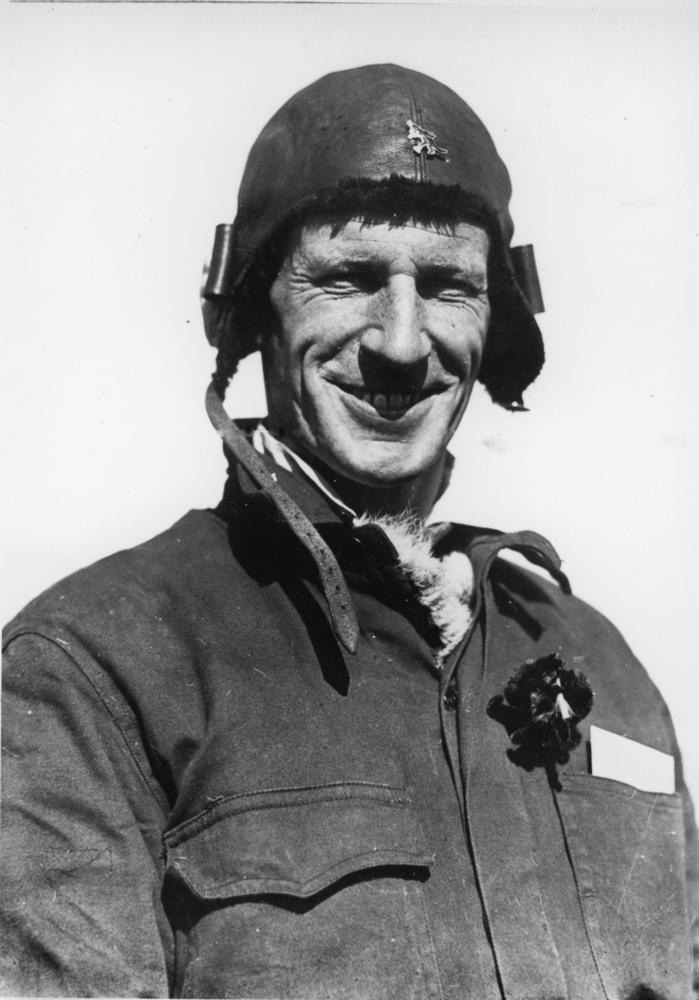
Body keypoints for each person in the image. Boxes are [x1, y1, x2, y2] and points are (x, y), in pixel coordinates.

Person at [2, 63, 697, 1000]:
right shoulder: (95, 665)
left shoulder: (598, 664)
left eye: (448, 285)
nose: (401, 344)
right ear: (256, 310)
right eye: (347, 277)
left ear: (496, 324)